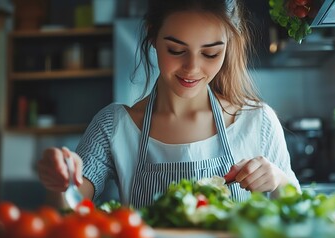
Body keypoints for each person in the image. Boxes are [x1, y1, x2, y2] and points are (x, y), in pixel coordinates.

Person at [37, 0, 300, 208]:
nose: (192, 68)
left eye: (211, 53)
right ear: (152, 36)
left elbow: (297, 214)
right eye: (176, 50)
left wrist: (277, 181)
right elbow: (69, 209)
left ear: (228, 46)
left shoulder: (258, 121)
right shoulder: (114, 126)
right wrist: (60, 181)